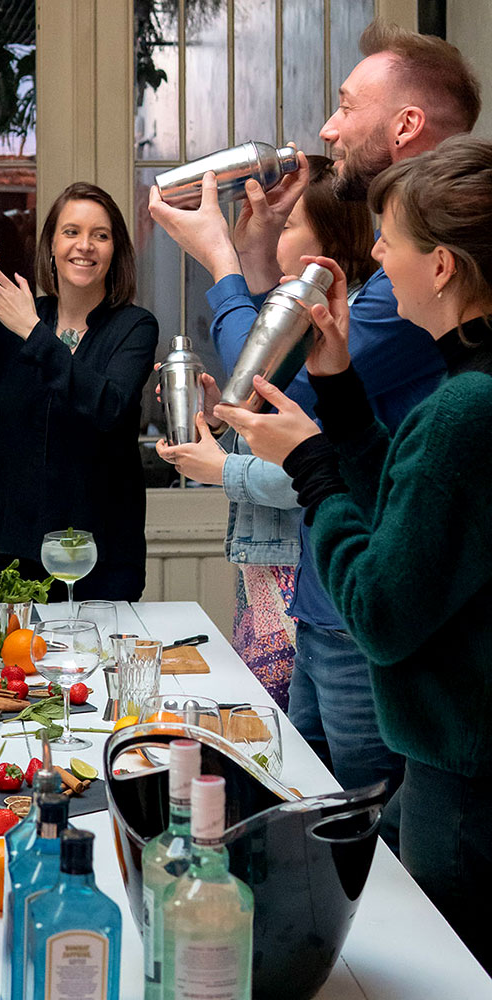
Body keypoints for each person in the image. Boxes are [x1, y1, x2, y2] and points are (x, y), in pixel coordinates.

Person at [146, 19, 480, 801]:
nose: (327, 128)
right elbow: (306, 380)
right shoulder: (414, 262)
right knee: (316, 811)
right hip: (329, 597)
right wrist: (260, 260)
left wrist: (226, 263)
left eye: (344, 104)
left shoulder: (430, 276)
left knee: (373, 849)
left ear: (404, 125)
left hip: (381, 624)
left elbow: (276, 391)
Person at [215, 134, 492, 974]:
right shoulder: (464, 393)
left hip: (464, 783)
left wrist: (306, 464)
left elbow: (378, 612)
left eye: (389, 240)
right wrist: (335, 383)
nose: (373, 257)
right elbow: (404, 508)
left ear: (439, 266)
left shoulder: (462, 411)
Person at [154, 156, 377, 710]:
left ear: (321, 246)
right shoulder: (304, 314)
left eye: (289, 220)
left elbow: (314, 459)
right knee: (292, 770)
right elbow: (280, 426)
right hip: (297, 586)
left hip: (315, 589)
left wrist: (223, 467)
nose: (272, 226)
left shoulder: (344, 327)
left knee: (311, 774)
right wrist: (222, 421)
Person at [0, 182, 158, 600]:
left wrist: (32, 331)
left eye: (100, 235)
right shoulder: (22, 321)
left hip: (101, 560)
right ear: (51, 244)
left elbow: (109, 407)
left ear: (114, 250)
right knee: (14, 666)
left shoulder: (134, 327)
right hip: (18, 555)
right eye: (71, 232)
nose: (84, 246)